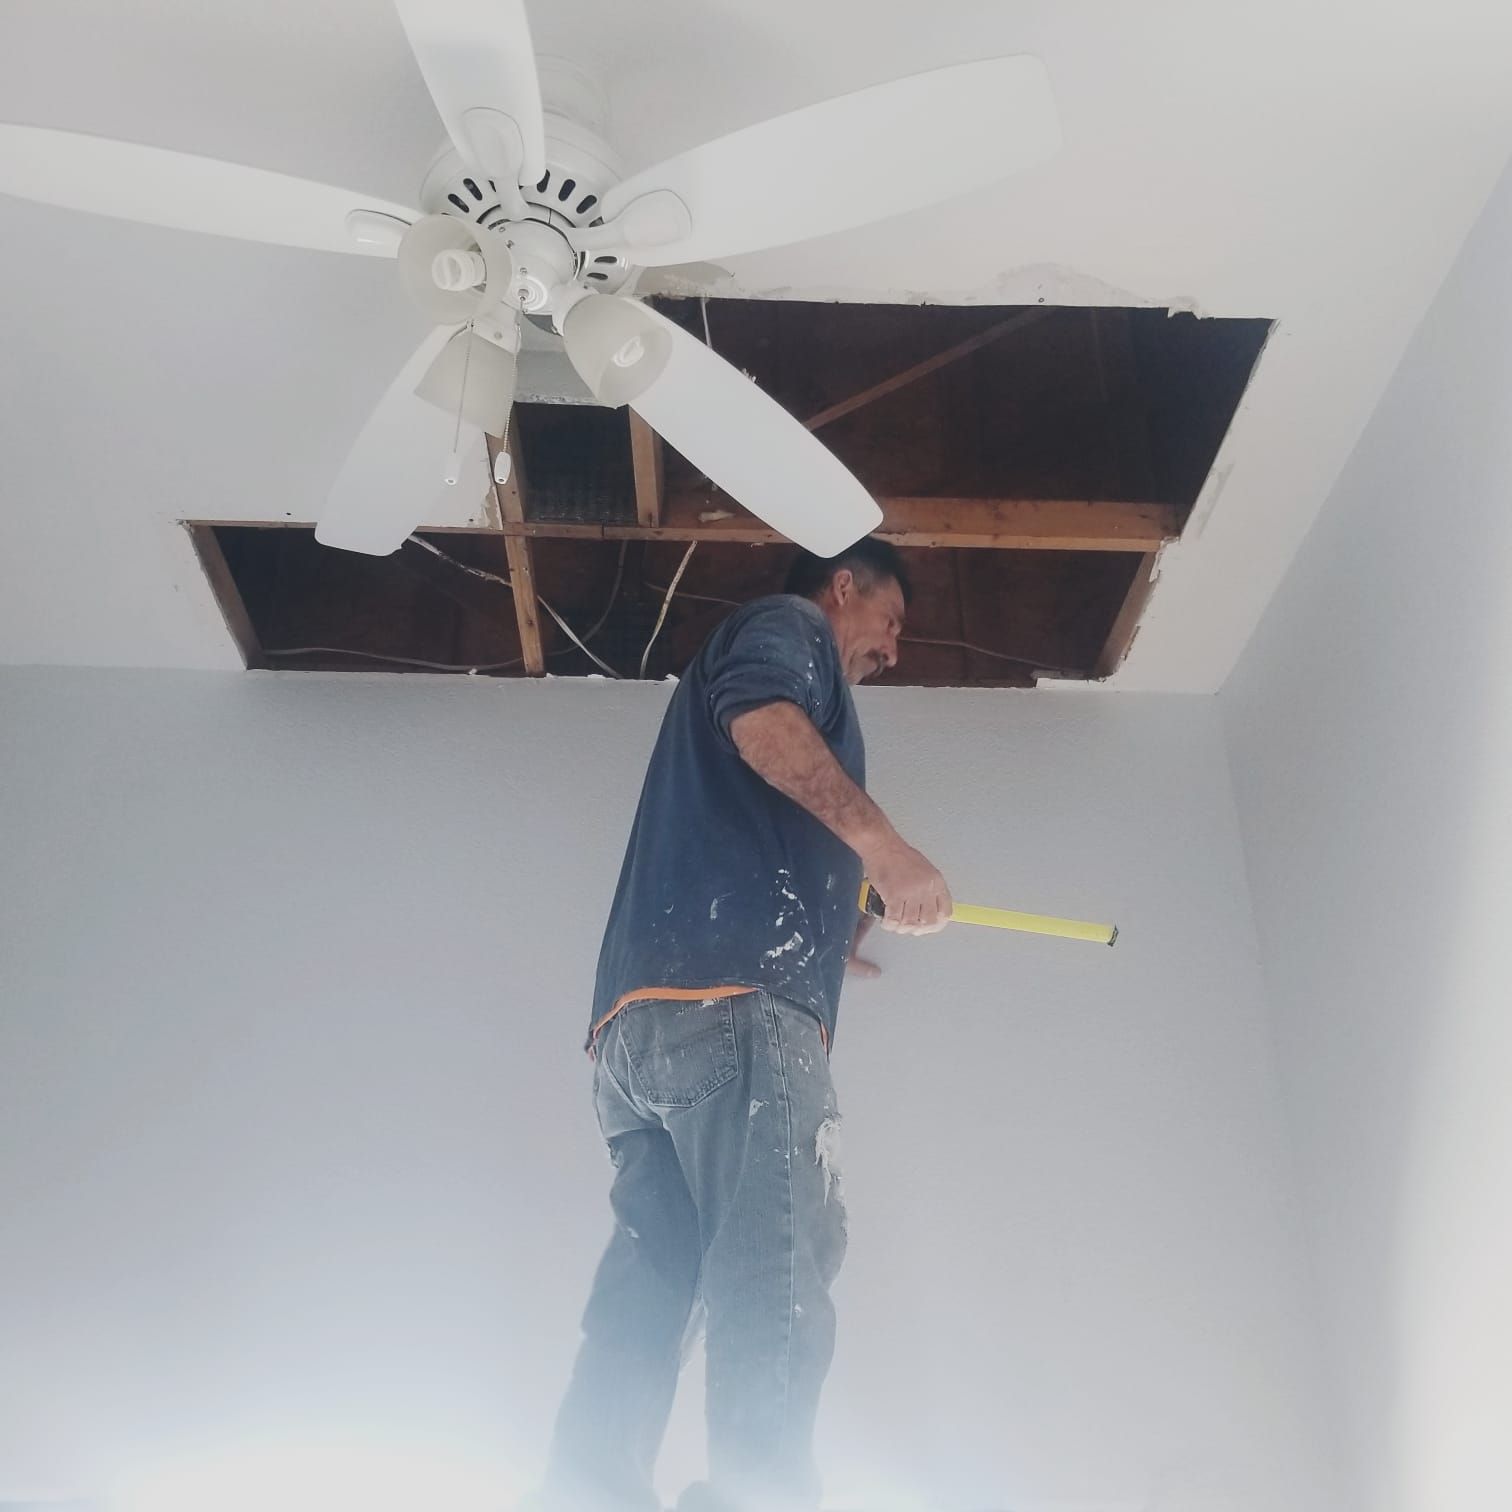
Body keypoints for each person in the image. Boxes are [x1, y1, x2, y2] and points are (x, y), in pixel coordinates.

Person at [540, 537, 952, 1512]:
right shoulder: (794, 628)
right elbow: (763, 726)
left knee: (655, 1287)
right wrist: (886, 849)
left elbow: (755, 808)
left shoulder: (775, 651)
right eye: (890, 620)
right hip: (738, 1020)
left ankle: (583, 1492)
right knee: (777, 1262)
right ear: (844, 586)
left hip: (640, 1040)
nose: (891, 650)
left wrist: (835, 922)